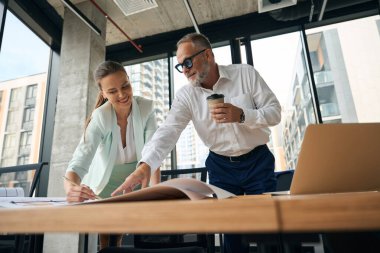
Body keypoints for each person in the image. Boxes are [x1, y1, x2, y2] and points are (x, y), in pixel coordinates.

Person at [112, 33, 281, 253]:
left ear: (208, 55)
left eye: (188, 62)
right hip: (221, 167)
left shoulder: (245, 74)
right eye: (180, 65)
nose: (185, 70)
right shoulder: (186, 96)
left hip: (258, 160)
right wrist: (145, 165)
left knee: (268, 229)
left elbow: (275, 113)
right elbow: (169, 130)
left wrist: (242, 115)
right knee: (231, 233)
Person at [63, 60, 160, 249]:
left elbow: (153, 151)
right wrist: (70, 188)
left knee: (120, 235)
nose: (122, 94)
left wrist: (155, 191)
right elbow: (79, 162)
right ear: (103, 94)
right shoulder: (100, 117)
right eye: (113, 91)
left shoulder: (146, 108)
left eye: (125, 86)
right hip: (103, 184)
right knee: (106, 240)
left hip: (134, 180)